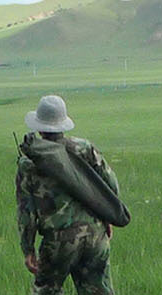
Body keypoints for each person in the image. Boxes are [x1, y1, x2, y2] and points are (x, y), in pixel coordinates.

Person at [15, 95, 120, 295]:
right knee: (98, 290)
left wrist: (28, 249)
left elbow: (26, 212)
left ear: (39, 127)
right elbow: (111, 185)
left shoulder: (29, 163)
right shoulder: (85, 149)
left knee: (46, 291)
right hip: (95, 234)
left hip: (59, 240)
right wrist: (108, 217)